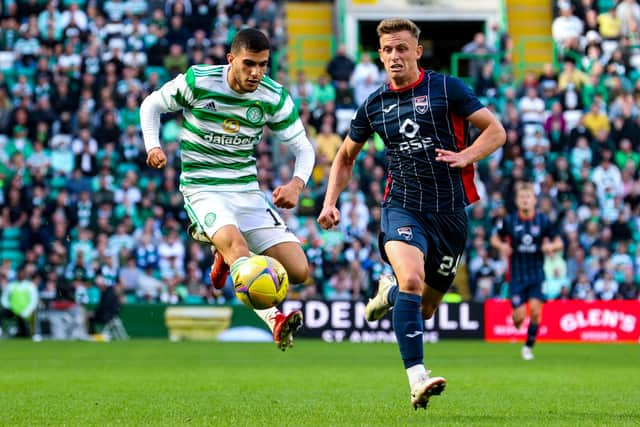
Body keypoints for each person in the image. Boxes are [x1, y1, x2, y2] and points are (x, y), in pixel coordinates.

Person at [317, 18, 506, 410]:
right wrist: (330, 202)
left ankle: (389, 290)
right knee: (413, 278)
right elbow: (345, 156)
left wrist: (466, 155)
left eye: (402, 48)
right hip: (402, 206)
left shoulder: (446, 87)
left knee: (425, 307)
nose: (394, 56)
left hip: (451, 212)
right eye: (387, 50)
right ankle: (417, 377)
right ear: (380, 55)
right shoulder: (374, 104)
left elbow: (495, 131)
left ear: (417, 51)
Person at [140, 29, 315, 351]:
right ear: (231, 59)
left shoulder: (273, 97)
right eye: (249, 64)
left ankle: (222, 255)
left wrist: (296, 184)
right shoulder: (199, 81)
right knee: (237, 246)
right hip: (203, 187)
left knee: (299, 270)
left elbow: (304, 149)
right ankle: (275, 319)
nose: (256, 73)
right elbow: (151, 105)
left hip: (246, 191)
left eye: (263, 65)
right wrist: (153, 146)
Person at [490, 182, 563, 360]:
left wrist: (550, 247)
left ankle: (528, 346)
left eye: (528, 197)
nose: (525, 200)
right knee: (519, 317)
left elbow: (559, 242)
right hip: (516, 275)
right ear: (516, 201)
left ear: (534, 200)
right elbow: (494, 239)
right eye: (521, 197)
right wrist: (502, 246)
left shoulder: (543, 220)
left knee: (536, 312)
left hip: (537, 273)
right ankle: (518, 321)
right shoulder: (509, 220)